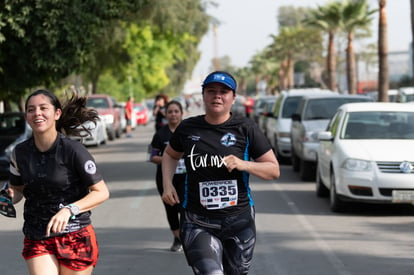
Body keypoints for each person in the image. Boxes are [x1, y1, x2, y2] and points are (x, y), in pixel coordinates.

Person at [161, 71, 280, 275]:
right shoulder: (188, 128)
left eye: (224, 92)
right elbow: (170, 155)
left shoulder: (245, 128)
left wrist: (244, 164)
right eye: (211, 91)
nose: (217, 95)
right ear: (203, 96)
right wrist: (167, 184)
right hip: (197, 221)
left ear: (233, 98)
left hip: (239, 220)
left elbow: (273, 169)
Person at [1, 89, 110, 275]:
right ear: (27, 116)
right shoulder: (19, 153)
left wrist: (70, 209)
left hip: (75, 234)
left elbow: (101, 192)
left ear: (57, 113)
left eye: (43, 108)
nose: (37, 113)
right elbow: (17, 189)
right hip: (37, 234)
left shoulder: (73, 151)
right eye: (31, 109)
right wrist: (10, 196)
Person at [149, 100, 186, 252]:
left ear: (181, 113)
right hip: (166, 178)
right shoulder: (160, 134)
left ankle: (187, 237)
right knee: (171, 208)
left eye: (176, 111)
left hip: (186, 178)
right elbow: (152, 156)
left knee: (185, 207)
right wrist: (170, 160)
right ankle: (177, 239)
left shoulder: (188, 131)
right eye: (170, 111)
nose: (173, 114)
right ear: (166, 114)